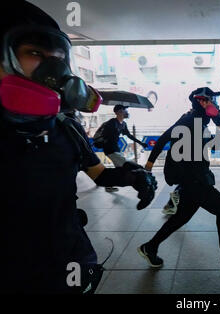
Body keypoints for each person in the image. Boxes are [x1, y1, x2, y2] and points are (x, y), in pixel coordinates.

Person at [0, 1, 157, 293]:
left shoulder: (66, 129)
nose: (53, 68)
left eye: (59, 56)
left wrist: (133, 175)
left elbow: (99, 175)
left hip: (68, 259)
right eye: (35, 53)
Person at [141, 87, 220, 269]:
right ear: (202, 101)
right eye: (212, 100)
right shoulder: (189, 120)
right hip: (192, 178)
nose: (215, 103)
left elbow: (218, 125)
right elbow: (163, 139)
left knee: (181, 218)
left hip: (195, 175)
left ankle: (150, 247)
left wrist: (216, 120)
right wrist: (149, 166)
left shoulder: (200, 119)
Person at [96, 105, 149, 192]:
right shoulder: (111, 123)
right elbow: (105, 137)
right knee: (126, 164)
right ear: (118, 112)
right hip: (110, 150)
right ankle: (103, 181)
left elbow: (129, 135)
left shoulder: (123, 124)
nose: (126, 112)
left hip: (116, 149)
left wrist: (141, 143)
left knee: (119, 169)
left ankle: (107, 184)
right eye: (125, 110)